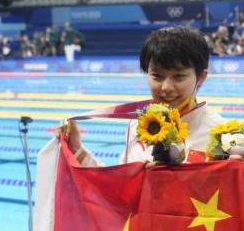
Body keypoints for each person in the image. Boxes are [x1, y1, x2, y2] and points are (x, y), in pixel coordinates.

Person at [61, 26, 222, 165]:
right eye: (157, 76)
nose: (166, 87)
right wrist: (77, 151)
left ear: (201, 77)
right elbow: (120, 187)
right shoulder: (136, 126)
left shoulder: (222, 135)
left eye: (179, 77)